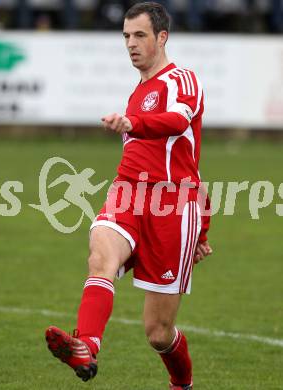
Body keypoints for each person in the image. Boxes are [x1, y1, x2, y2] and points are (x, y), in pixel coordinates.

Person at [45, 2, 212, 389]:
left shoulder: (181, 80)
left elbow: (176, 124)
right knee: (100, 258)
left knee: (158, 331)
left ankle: (181, 384)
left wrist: (200, 232)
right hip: (127, 195)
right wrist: (132, 121)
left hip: (172, 207)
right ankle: (85, 346)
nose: (131, 44)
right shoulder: (137, 93)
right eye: (125, 36)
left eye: (139, 35)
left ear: (162, 37)